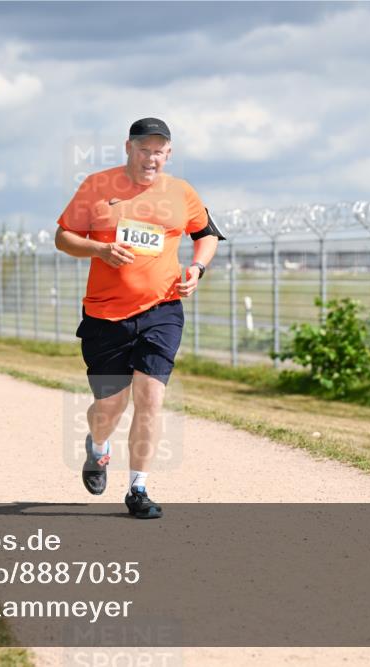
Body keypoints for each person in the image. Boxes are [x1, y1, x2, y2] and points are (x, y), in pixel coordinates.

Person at [54, 118, 224, 519]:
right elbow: (63, 237)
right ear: (128, 148)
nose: (152, 158)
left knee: (150, 397)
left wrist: (197, 269)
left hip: (162, 309)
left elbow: (207, 234)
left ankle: (138, 488)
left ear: (169, 154)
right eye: (145, 149)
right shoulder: (97, 186)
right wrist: (100, 251)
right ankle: (98, 449)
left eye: (160, 151)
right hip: (105, 313)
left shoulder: (181, 192)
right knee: (109, 407)